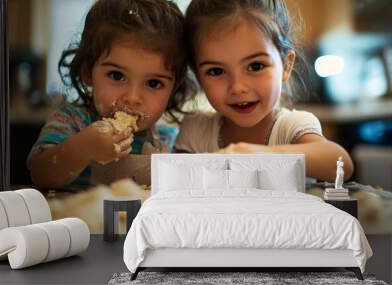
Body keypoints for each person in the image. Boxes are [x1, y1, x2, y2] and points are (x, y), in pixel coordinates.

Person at [174, 0, 353, 182]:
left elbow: (341, 163)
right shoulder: (195, 131)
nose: (238, 87)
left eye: (255, 66)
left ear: (286, 65)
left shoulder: (291, 128)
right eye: (216, 71)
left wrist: (261, 154)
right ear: (197, 76)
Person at [28, 0, 194, 189]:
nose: (132, 97)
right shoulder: (72, 122)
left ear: (174, 89)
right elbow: (40, 174)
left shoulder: (167, 143)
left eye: (154, 83)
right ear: (87, 71)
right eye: (117, 75)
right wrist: (84, 147)